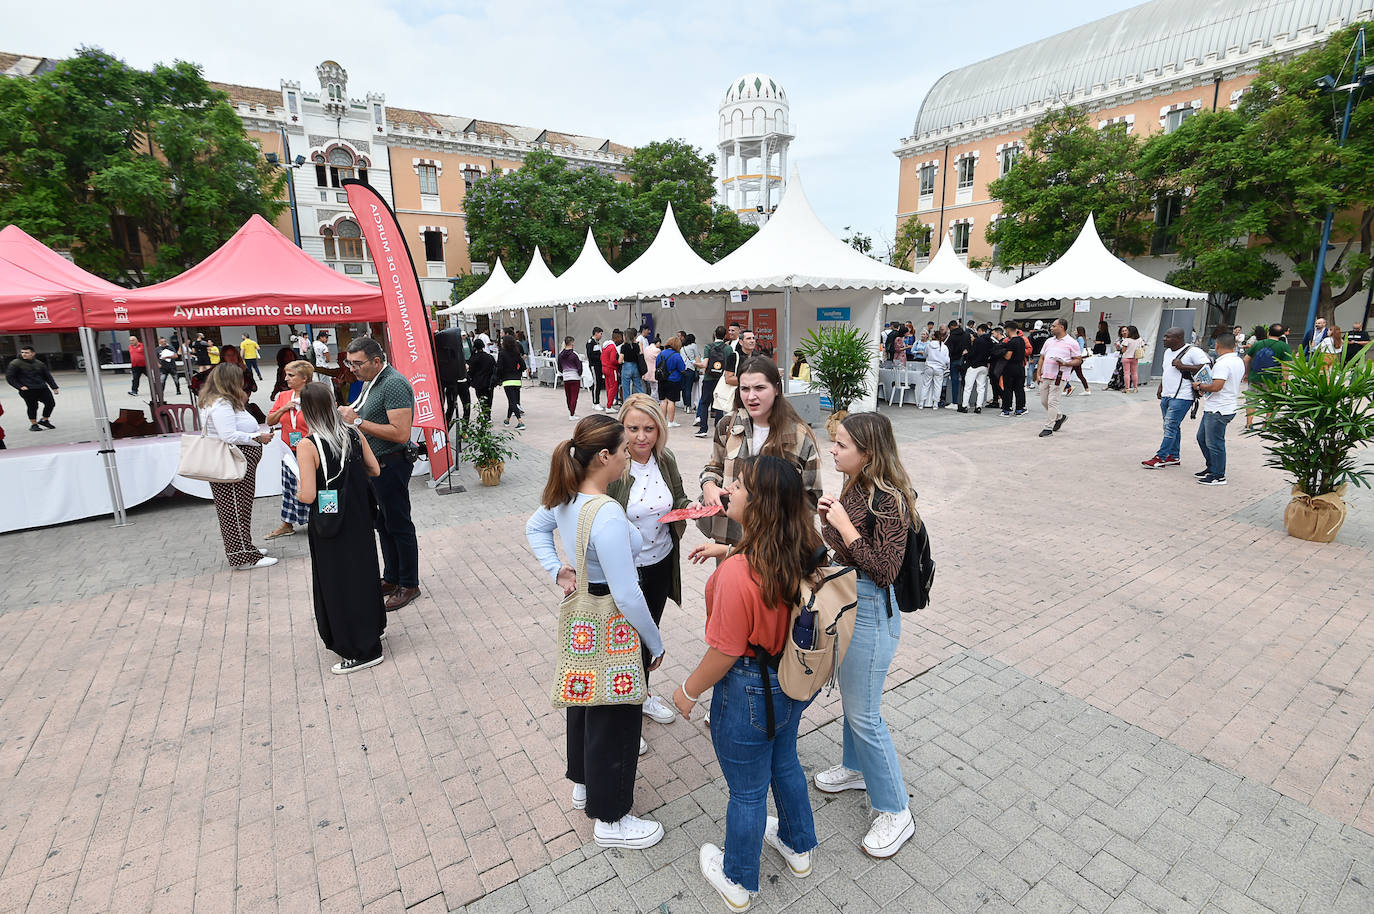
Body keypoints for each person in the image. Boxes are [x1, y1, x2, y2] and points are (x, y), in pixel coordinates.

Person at [675, 455, 821, 909]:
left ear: (757, 504)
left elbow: (724, 652)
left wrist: (687, 691)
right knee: (785, 762)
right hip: (793, 677)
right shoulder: (801, 544)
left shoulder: (741, 572)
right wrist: (728, 550)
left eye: (737, 486)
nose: (728, 491)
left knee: (747, 791)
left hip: (747, 690)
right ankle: (799, 847)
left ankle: (738, 879)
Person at [525, 414, 667, 850]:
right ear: (604, 456)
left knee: (585, 698)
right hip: (612, 618)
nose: (629, 456)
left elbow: (535, 527)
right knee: (616, 712)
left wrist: (559, 570)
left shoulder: (567, 497)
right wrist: (654, 642)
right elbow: (627, 592)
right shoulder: (604, 512)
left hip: (585, 614)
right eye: (624, 450)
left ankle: (584, 783)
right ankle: (611, 818)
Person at [816, 413, 917, 858]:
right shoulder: (853, 486)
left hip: (874, 611)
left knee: (866, 715)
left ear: (868, 453)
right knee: (856, 704)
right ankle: (855, 768)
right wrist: (829, 521)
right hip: (849, 603)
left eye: (840, 444)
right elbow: (844, 551)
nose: (832, 450)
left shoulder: (892, 500)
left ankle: (896, 809)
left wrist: (843, 525)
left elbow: (884, 569)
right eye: (834, 442)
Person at [608, 394, 690, 727]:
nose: (641, 437)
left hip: (660, 564)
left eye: (649, 428)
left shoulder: (665, 459)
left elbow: (680, 498)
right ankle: (623, 717)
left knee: (647, 635)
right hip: (625, 571)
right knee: (621, 642)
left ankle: (641, 694)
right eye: (632, 428)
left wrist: (692, 510)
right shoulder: (613, 465)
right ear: (621, 428)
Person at [295, 383, 387, 673]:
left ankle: (362, 648)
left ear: (306, 411)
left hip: (329, 517)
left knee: (339, 580)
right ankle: (372, 628)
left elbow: (309, 495)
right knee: (363, 570)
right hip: (358, 514)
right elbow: (375, 469)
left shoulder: (308, 445)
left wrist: (295, 488)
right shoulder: (353, 433)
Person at [698, 356, 821, 555]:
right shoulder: (728, 425)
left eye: (759, 388)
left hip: (777, 550)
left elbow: (812, 497)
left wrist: (769, 508)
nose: (751, 396)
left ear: (776, 388)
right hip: (730, 540)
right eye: (744, 389)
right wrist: (709, 486)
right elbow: (714, 466)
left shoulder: (799, 435)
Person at [339, 337, 420, 611]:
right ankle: (393, 576)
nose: (353, 369)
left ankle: (409, 583)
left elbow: (401, 433)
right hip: (377, 464)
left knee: (398, 523)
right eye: (350, 363)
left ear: (376, 361)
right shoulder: (373, 380)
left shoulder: (393, 383)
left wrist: (357, 421)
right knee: (384, 524)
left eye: (357, 363)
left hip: (391, 463)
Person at [200, 364, 276, 570]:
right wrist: (257, 437)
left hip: (237, 461)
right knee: (235, 508)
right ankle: (242, 556)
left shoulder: (220, 402)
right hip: (232, 461)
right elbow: (229, 435)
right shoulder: (222, 403)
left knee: (239, 507)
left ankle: (245, 548)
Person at [1142, 327, 1210, 469]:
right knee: (1173, 426)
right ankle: (1173, 456)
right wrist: (1161, 387)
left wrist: (1183, 366)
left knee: (1170, 426)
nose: (1164, 339)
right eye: (1164, 336)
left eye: (1168, 337)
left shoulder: (1193, 351)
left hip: (1183, 396)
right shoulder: (1167, 352)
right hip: (1168, 394)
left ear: (1178, 339)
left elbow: (1206, 366)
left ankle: (1160, 457)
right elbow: (1167, 371)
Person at [265, 360, 316, 539]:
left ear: (304, 378)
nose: (286, 378)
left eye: (291, 375)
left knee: (311, 484)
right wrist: (284, 409)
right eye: (286, 374)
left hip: (310, 449)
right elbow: (270, 421)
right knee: (289, 486)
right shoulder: (283, 396)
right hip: (289, 449)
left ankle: (316, 520)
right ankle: (287, 523)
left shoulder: (314, 395)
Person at [1192, 332, 1245, 486]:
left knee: (1215, 442)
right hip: (1222, 406)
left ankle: (1218, 475)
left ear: (1217, 345)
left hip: (1219, 409)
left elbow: (1217, 386)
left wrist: (1199, 385)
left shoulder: (1223, 363)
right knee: (1202, 438)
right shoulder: (1237, 361)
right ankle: (1211, 467)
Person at [1035, 318, 1083, 438]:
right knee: (1044, 401)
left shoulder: (1072, 342)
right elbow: (1042, 357)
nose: (1051, 328)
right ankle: (1059, 417)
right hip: (1046, 375)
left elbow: (1078, 360)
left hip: (1059, 376)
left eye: (1054, 326)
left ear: (1061, 327)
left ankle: (1048, 427)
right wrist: (1038, 372)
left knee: (1052, 401)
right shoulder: (1049, 341)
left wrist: (1066, 363)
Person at [1243, 323, 1292, 429]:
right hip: (1273, 380)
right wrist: (1285, 380)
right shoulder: (1284, 346)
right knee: (1272, 401)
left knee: (1251, 400)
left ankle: (1249, 424)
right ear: (1282, 334)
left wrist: (1246, 373)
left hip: (1255, 377)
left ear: (1268, 332)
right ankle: (1266, 423)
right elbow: (1285, 365)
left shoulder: (1258, 344)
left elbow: (1246, 359)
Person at [6, 346, 58, 431]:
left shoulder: (39, 363)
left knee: (50, 403)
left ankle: (44, 420)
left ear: (33, 353)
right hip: (27, 390)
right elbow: (10, 377)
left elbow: (47, 376)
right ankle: (34, 424)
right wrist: (20, 386)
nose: (24, 354)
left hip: (42, 388)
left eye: (26, 352)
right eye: (22, 352)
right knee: (32, 406)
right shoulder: (15, 363)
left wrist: (54, 387)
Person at [695, 326, 731, 438]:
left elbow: (704, 364)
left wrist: (695, 364)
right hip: (721, 379)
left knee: (705, 403)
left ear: (714, 334)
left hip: (708, 378)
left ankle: (703, 429)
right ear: (725, 335)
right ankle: (719, 429)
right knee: (719, 404)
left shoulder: (708, 347)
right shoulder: (728, 349)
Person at [495, 335, 528, 429]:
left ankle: (520, 421)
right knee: (512, 401)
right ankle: (507, 420)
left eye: (502, 342)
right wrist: (517, 372)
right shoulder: (516, 353)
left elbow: (499, 368)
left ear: (505, 343)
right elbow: (523, 366)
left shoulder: (502, 353)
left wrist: (499, 378)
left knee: (512, 401)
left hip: (507, 380)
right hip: (517, 380)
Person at [995, 321, 1027, 417]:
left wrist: (1001, 353)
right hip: (1020, 367)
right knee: (1019, 389)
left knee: (1008, 389)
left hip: (1010, 368)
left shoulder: (1011, 342)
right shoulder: (1022, 340)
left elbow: (1008, 356)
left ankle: (1006, 409)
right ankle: (1019, 409)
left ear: (1008, 330)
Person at [961, 323, 993, 414]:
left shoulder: (978, 341)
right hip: (984, 366)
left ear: (980, 330)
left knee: (968, 387)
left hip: (974, 366)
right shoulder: (990, 341)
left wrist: (966, 354)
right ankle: (978, 407)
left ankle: (964, 406)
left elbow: (973, 354)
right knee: (981, 388)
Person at [656, 336, 687, 427]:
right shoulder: (677, 355)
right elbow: (682, 368)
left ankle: (662, 421)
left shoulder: (660, 354)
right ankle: (671, 421)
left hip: (661, 380)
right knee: (671, 401)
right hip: (673, 380)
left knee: (663, 400)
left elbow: (657, 365)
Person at [467, 338, 496, 417]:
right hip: (489, 382)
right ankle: (488, 415)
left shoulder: (474, 358)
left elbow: (471, 371)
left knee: (481, 399)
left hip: (478, 382)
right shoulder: (490, 357)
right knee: (489, 399)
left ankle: (485, 415)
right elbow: (494, 368)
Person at [920, 327, 949, 408]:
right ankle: (935, 404)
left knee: (925, 385)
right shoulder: (944, 347)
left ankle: (921, 403)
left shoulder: (929, 345)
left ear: (933, 337)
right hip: (939, 368)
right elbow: (947, 360)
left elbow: (924, 354)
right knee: (938, 386)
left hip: (929, 367)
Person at [557, 336, 583, 420]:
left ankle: (571, 411)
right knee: (574, 397)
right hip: (575, 378)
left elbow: (559, 367)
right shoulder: (574, 354)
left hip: (566, 378)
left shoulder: (560, 355)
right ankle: (572, 414)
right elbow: (579, 366)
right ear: (572, 343)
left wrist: (564, 373)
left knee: (568, 396)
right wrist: (579, 374)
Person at [1117, 326, 1143, 393]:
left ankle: (1127, 388)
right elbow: (1142, 346)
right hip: (1135, 358)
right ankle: (1135, 388)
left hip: (1126, 357)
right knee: (1134, 373)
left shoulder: (1127, 340)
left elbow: (1123, 350)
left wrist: (1120, 348)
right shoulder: (1139, 339)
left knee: (1126, 373)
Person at [586, 327, 606, 411]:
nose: (601, 336)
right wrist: (600, 357)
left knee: (599, 383)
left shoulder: (597, 342)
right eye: (600, 334)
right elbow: (590, 355)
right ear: (596, 333)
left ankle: (596, 401)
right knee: (596, 383)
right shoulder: (591, 342)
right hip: (594, 365)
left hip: (599, 365)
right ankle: (595, 402)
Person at [602, 330, 623, 410]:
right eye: (620, 338)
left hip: (604, 368)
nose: (621, 340)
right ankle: (609, 406)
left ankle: (609, 403)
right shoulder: (612, 347)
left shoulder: (605, 346)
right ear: (617, 338)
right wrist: (619, 362)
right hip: (611, 369)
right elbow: (613, 360)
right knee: (613, 387)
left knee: (608, 387)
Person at [620, 328, 643, 398]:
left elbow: (620, 360)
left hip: (627, 367)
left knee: (626, 389)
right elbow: (640, 354)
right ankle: (643, 402)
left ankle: (627, 405)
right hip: (635, 367)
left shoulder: (624, 346)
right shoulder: (637, 346)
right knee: (639, 387)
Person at [1027, 320, 1050, 389]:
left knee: (1030, 369)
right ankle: (1042, 385)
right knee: (1043, 370)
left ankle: (1029, 384)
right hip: (1043, 355)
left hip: (1034, 355)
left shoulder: (1032, 335)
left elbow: (1030, 346)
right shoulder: (1048, 334)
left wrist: (1030, 357)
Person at [680, 332, 699, 411]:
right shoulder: (693, 346)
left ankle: (685, 406)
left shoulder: (682, 348)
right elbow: (697, 357)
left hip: (682, 369)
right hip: (690, 368)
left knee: (684, 388)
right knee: (688, 388)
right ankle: (689, 407)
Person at [643, 329, 660, 401]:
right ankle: (654, 400)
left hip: (647, 371)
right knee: (656, 388)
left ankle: (652, 399)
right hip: (654, 371)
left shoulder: (646, 349)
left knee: (651, 387)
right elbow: (660, 360)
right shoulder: (657, 350)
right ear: (658, 343)